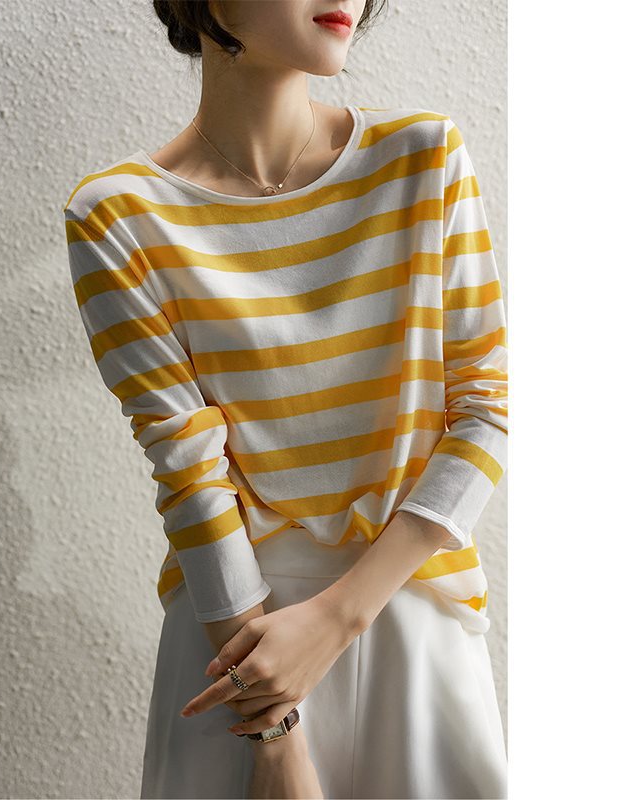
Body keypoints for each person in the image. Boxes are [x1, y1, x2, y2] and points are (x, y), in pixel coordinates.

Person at [62, 1, 508, 797]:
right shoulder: (118, 216)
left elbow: (486, 407)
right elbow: (189, 472)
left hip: (409, 617)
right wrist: (273, 735)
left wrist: (339, 617)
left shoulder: (423, 157)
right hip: (238, 646)